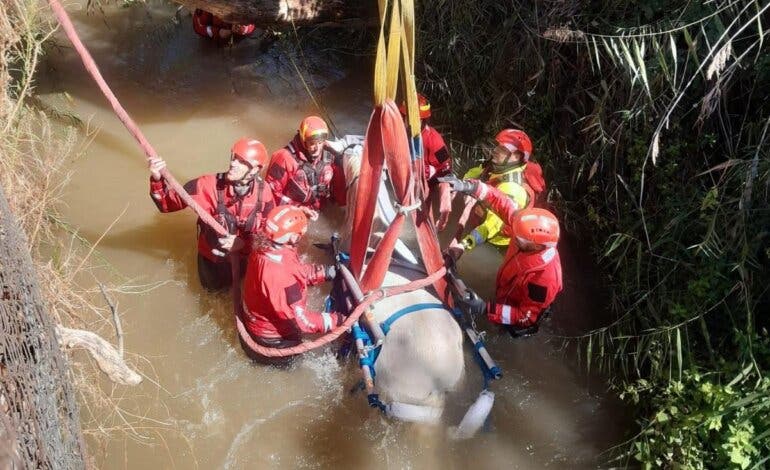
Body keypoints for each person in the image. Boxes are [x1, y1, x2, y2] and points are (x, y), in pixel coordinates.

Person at [440, 175, 562, 336]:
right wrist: (469, 187)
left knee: (502, 333)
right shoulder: (524, 229)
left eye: (519, 238)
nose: (514, 236)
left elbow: (525, 316)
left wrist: (485, 308)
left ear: (538, 246)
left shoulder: (543, 280)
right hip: (506, 292)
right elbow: (501, 202)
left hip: (518, 319)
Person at [148, 138, 275, 290]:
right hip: (211, 261)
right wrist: (157, 179)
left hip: (242, 258)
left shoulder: (264, 193)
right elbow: (166, 205)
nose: (233, 163)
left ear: (254, 170)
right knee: (211, 294)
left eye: (241, 162)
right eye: (234, 158)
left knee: (238, 290)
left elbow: (269, 237)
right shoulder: (206, 185)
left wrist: (244, 244)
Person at [241, 205, 341, 363]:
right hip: (273, 342)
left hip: (258, 327)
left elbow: (295, 272)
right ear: (293, 237)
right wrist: (337, 321)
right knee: (296, 364)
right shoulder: (280, 273)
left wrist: (324, 273)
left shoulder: (264, 248)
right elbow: (301, 321)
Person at [448, 128, 545, 260]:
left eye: (502, 150)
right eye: (497, 147)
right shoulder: (497, 167)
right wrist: (461, 185)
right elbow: (476, 172)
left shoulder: (512, 189)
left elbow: (490, 227)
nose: (495, 151)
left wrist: (465, 244)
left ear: (516, 156)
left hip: (495, 242)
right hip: (480, 215)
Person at [265, 116, 346, 210]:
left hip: (320, 207)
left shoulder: (329, 153)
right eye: (312, 143)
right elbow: (271, 193)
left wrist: (340, 206)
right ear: (303, 141)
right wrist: (297, 208)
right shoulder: (283, 158)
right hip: (295, 211)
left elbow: (339, 184)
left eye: (320, 142)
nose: (317, 148)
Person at [399, 93, 453, 230]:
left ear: (421, 119)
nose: (407, 121)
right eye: (405, 117)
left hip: (425, 179)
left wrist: (427, 172)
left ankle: (421, 227)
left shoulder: (434, 140)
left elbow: (446, 167)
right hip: (406, 172)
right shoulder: (400, 131)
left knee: (421, 211)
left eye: (412, 119)